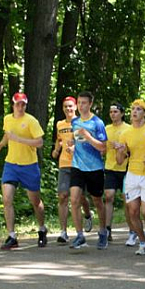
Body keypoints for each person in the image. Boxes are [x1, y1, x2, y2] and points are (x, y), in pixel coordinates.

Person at [0, 92, 46, 249]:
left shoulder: (31, 121)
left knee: (35, 201)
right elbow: (7, 135)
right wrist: (0, 145)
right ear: (13, 104)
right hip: (11, 165)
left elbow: (40, 142)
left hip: (29, 165)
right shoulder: (7, 119)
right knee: (7, 199)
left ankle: (42, 229)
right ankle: (12, 236)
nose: (21, 106)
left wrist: (19, 140)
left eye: (23, 104)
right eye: (18, 104)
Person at [115, 99, 145, 255]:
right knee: (133, 212)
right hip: (132, 175)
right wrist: (121, 151)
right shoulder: (125, 133)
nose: (135, 112)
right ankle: (143, 243)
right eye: (133, 109)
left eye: (139, 109)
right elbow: (119, 161)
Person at [68, 91, 109, 250]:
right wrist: (72, 146)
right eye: (79, 102)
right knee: (74, 199)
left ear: (90, 104)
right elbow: (76, 139)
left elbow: (103, 147)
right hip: (77, 165)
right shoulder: (75, 121)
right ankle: (79, 235)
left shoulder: (97, 123)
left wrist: (88, 136)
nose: (81, 105)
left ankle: (103, 231)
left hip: (94, 168)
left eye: (84, 103)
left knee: (98, 201)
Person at [51, 96, 94, 243]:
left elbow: (87, 142)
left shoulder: (81, 123)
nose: (68, 109)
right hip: (64, 164)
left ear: (75, 107)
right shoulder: (60, 124)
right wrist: (56, 150)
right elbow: (59, 139)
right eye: (65, 107)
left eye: (70, 106)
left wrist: (75, 148)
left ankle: (88, 214)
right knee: (63, 196)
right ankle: (63, 232)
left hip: (79, 164)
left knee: (80, 198)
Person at [104, 102, 133, 243]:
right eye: (111, 112)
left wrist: (122, 150)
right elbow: (102, 147)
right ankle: (107, 229)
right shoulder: (106, 129)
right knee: (109, 196)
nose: (113, 114)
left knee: (127, 201)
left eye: (115, 112)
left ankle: (132, 230)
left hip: (126, 169)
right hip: (110, 167)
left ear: (122, 114)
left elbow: (133, 149)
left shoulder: (128, 129)